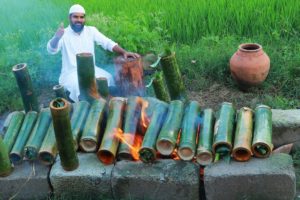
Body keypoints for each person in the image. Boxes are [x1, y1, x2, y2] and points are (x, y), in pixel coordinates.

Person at [47, 4, 139, 102]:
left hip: (93, 70)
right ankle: (87, 109)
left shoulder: (91, 31)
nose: (79, 20)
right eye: (75, 17)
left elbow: (107, 42)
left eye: (81, 17)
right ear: (70, 18)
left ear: (84, 18)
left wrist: (123, 52)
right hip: (71, 73)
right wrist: (57, 37)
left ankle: (109, 105)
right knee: (81, 87)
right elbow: (51, 50)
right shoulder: (63, 34)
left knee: (108, 78)